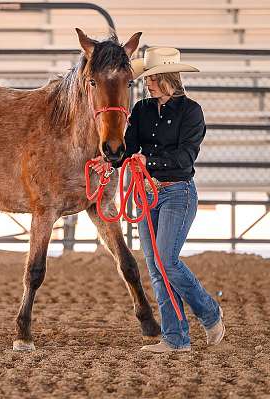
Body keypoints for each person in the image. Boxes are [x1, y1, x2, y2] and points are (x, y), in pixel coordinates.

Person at [92, 47, 225, 352]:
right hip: (146, 195)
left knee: (166, 260)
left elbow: (184, 158)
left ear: (166, 78)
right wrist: (110, 161)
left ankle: (209, 312)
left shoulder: (192, 112)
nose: (146, 84)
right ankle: (175, 338)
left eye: (151, 78)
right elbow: (129, 147)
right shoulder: (142, 110)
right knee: (155, 266)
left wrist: (146, 163)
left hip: (177, 192)